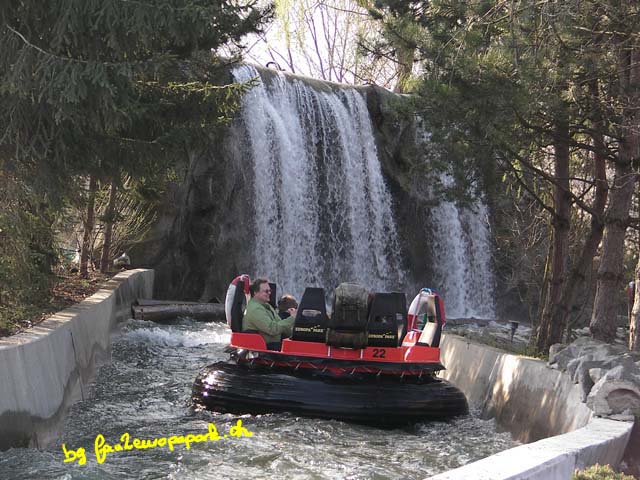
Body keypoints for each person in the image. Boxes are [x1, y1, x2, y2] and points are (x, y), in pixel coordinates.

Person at [242, 278, 296, 349]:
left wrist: (296, 335)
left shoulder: (266, 305)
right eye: (266, 291)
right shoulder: (255, 309)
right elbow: (272, 329)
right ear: (255, 292)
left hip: (273, 343)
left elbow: (279, 323)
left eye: (270, 290)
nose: (269, 293)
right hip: (265, 346)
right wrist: (292, 318)